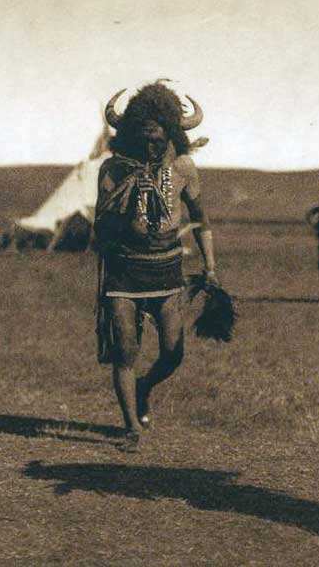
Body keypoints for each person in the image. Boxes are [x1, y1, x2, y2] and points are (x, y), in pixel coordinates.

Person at [93, 82, 216, 452]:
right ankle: (131, 428)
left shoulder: (184, 168)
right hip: (124, 272)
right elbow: (101, 226)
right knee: (125, 351)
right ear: (130, 136)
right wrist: (124, 205)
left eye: (158, 140)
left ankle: (145, 387)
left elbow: (202, 220)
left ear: (172, 136)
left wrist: (211, 267)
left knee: (173, 352)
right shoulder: (113, 170)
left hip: (166, 270)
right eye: (143, 139)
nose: (150, 147)